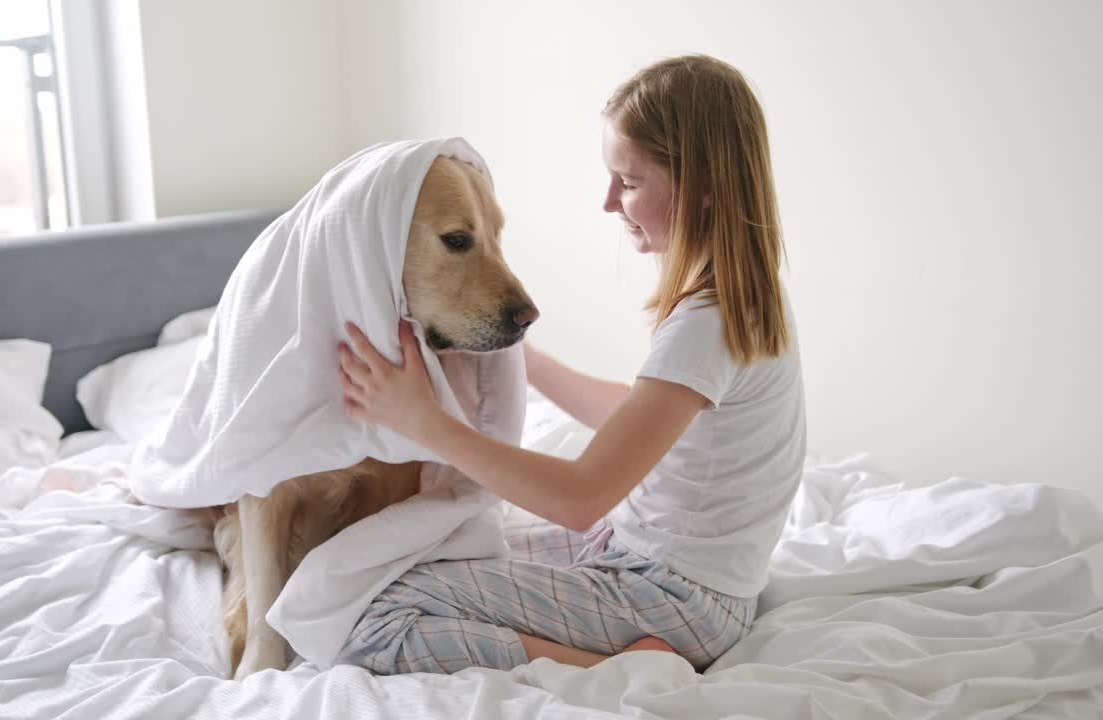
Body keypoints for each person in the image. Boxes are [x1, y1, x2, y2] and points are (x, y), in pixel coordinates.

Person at [335, 54, 805, 674]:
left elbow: (581, 498)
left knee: (367, 615)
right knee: (437, 553)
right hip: (685, 580)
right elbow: (638, 416)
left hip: (670, 601)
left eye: (630, 182)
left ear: (704, 183)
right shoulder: (741, 299)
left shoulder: (704, 323)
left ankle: (614, 664)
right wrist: (520, 358)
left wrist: (424, 421)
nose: (609, 201)